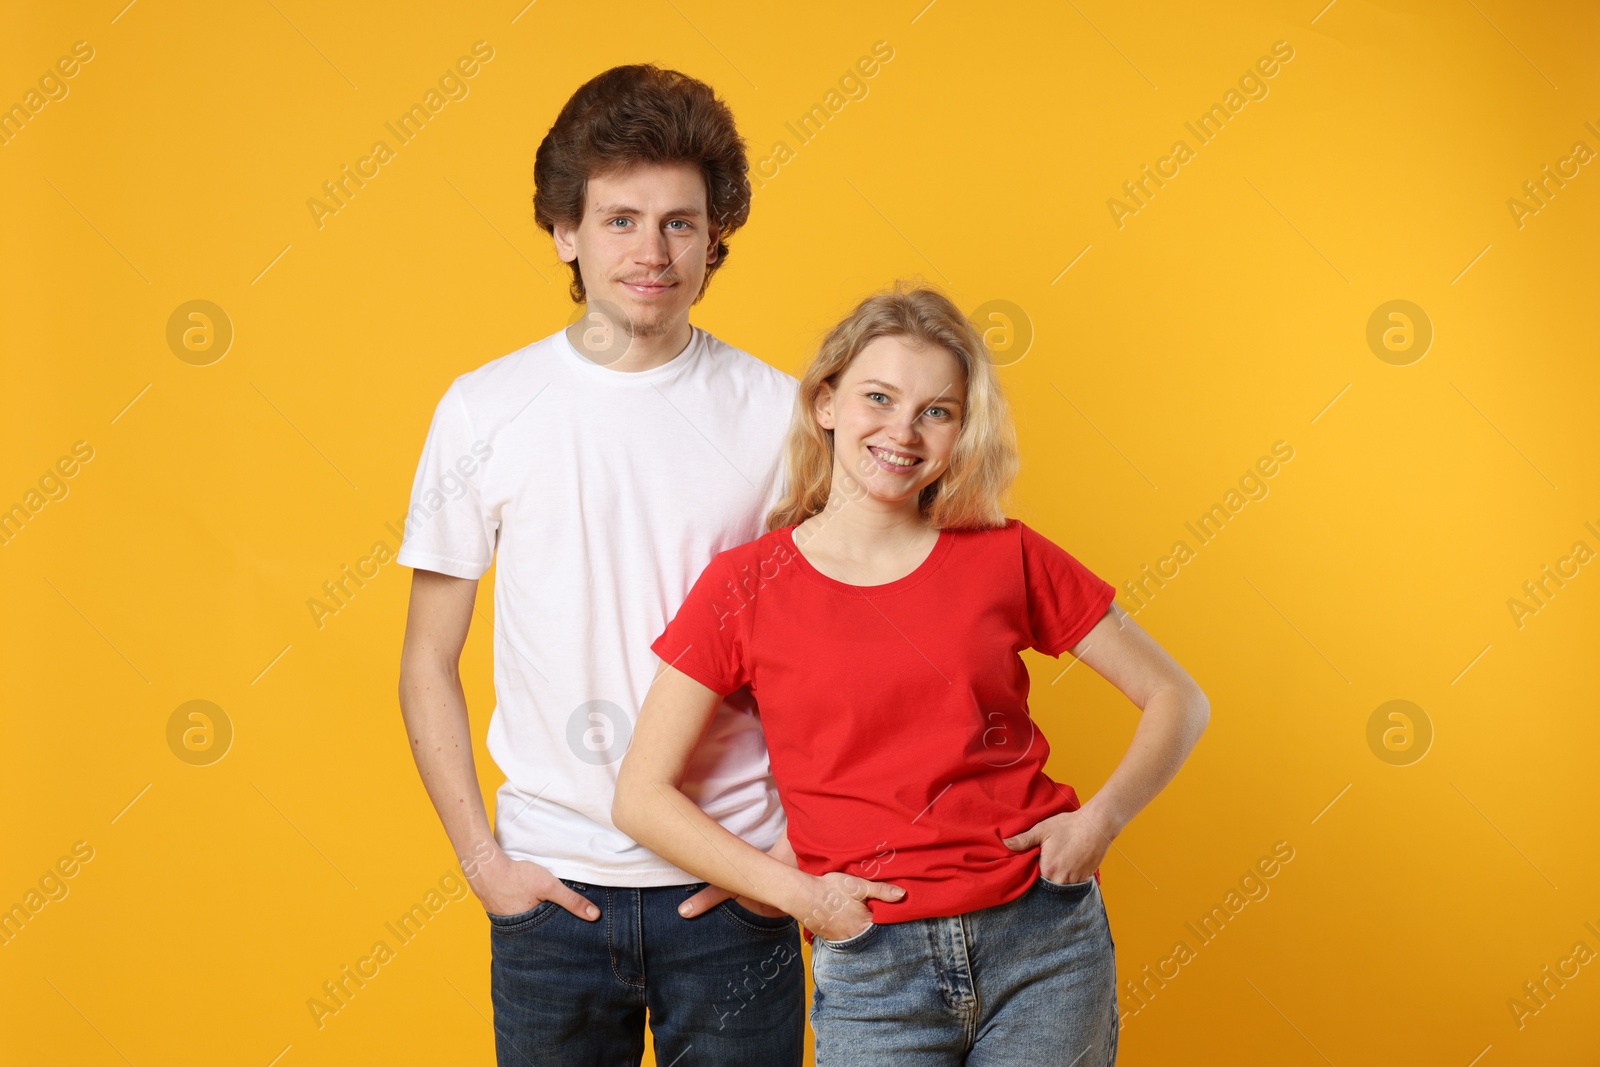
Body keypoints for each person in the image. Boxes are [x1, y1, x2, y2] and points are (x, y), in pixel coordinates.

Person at [614, 282, 1211, 1065]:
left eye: (938, 410)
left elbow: (1177, 697)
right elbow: (639, 796)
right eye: (878, 397)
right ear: (826, 403)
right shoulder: (744, 586)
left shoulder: (1007, 554)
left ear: (963, 430)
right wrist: (804, 896)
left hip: (1044, 944)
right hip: (872, 963)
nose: (904, 430)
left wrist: (1098, 821)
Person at [396, 64, 806, 1066]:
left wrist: (793, 855)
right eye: (620, 219)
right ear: (564, 232)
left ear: (717, 236)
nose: (653, 251)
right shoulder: (483, 411)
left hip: (734, 895)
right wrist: (483, 861)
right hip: (551, 902)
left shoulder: (788, 416)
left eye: (679, 222)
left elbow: (848, 652)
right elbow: (424, 659)